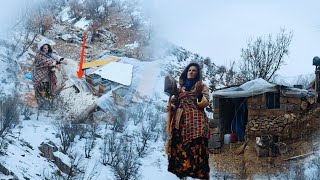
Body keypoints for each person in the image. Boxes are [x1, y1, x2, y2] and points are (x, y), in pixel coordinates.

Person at [166, 62, 210, 179]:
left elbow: (205, 103)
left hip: (196, 122)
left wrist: (199, 93)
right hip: (180, 122)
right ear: (186, 72)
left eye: (194, 70)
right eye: (189, 70)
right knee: (181, 147)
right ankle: (182, 173)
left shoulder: (202, 86)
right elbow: (176, 104)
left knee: (195, 147)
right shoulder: (180, 89)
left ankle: (198, 174)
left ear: (197, 73)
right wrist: (171, 107)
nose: (191, 72)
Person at [32, 44, 66, 110]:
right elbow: (48, 62)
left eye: (47, 48)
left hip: (47, 78)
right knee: (42, 93)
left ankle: (48, 107)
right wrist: (60, 62)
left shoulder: (47, 55)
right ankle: (42, 108)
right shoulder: (39, 56)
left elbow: (52, 59)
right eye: (44, 48)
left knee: (48, 92)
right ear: (41, 48)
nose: (46, 49)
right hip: (40, 79)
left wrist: (60, 60)